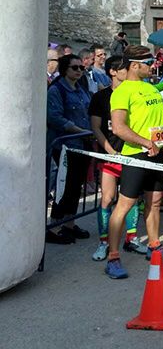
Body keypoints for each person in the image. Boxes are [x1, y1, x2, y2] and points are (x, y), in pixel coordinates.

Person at [104, 45, 163, 279]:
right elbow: (118, 128)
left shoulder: (150, 88)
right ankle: (113, 257)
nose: (154, 67)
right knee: (125, 205)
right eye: (149, 63)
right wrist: (146, 143)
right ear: (135, 66)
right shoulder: (122, 91)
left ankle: (154, 246)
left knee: (154, 202)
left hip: (157, 152)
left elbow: (161, 118)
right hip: (135, 155)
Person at [88, 55, 148, 260]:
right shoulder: (100, 97)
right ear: (113, 72)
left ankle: (131, 239)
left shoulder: (136, 92)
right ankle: (103, 242)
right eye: (123, 68)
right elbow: (96, 127)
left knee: (132, 199)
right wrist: (110, 151)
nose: (127, 71)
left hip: (133, 154)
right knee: (107, 198)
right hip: (110, 155)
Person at [46, 54, 93, 244]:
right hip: (65, 145)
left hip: (82, 143)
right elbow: (55, 117)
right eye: (75, 68)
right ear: (65, 69)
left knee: (75, 186)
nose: (79, 71)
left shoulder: (81, 90)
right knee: (64, 186)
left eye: (81, 67)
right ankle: (55, 226)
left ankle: (69, 224)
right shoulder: (56, 90)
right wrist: (78, 130)